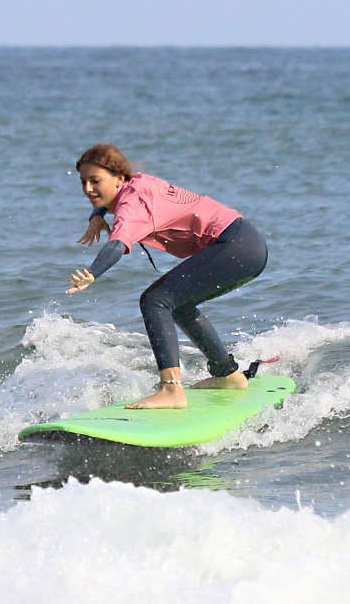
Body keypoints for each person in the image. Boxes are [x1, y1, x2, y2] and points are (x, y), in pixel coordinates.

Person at [65, 143, 267, 409]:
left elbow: (117, 244)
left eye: (95, 181)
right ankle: (228, 375)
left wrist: (92, 273)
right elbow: (108, 199)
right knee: (179, 305)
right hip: (246, 243)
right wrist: (97, 214)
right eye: (83, 182)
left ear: (119, 177)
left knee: (155, 300)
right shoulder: (136, 183)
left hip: (234, 246)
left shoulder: (132, 205)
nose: (88, 189)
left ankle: (171, 390)